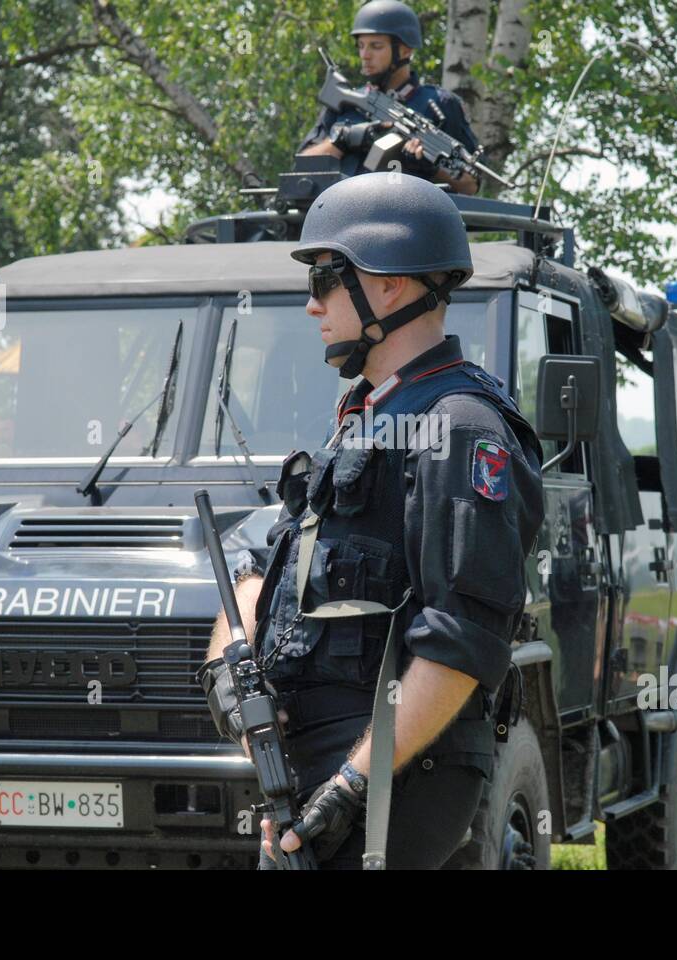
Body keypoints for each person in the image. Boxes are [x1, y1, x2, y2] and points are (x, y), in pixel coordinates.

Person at [197, 172, 543, 869]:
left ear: (388, 284)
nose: (311, 304)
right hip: (314, 774)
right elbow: (269, 565)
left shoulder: (460, 426)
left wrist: (352, 785)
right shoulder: (369, 417)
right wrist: (230, 677)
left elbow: (463, 639)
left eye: (327, 277)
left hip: (398, 776)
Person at [298, 0, 481, 195]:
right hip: (344, 216)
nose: (365, 55)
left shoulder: (439, 104)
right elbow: (302, 166)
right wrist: (343, 138)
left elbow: (471, 185)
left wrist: (431, 168)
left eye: (376, 46)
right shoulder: (347, 102)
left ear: (405, 50)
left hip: (410, 219)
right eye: (361, 46)